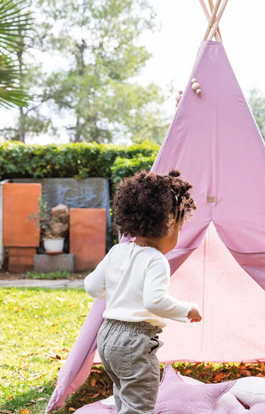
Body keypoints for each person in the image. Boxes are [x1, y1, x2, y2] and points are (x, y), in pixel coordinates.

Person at [84, 169, 202, 414]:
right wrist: (186, 309)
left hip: (107, 337)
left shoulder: (117, 251)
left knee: (124, 393)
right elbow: (154, 301)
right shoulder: (155, 259)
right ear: (170, 224)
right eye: (179, 228)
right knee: (139, 404)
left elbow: (93, 287)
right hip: (133, 341)